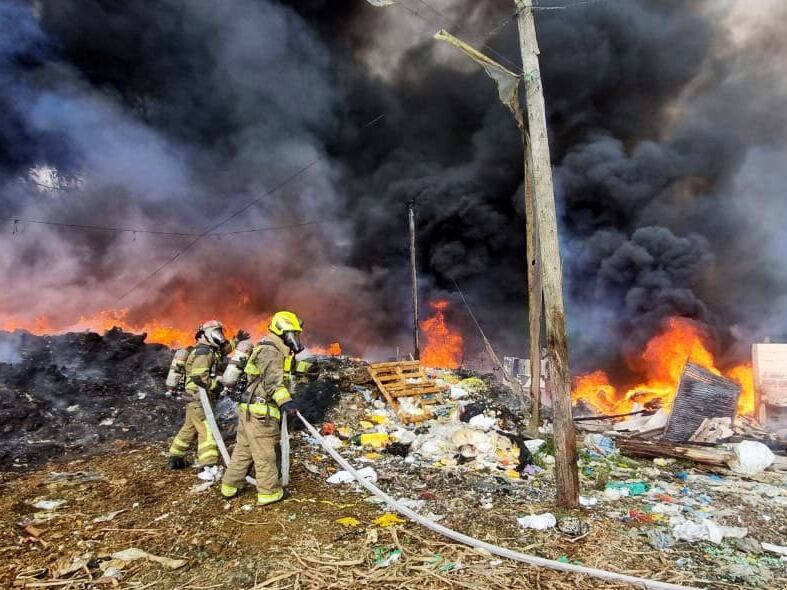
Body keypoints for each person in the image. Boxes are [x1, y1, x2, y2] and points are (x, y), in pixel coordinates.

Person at [220, 311, 309, 506]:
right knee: (265, 454)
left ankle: (230, 486)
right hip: (261, 413)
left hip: (249, 411)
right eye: (293, 333)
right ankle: (269, 493)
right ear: (283, 332)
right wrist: (286, 402)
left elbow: (281, 368)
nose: (295, 338)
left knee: (244, 450)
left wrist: (306, 369)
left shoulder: (271, 348)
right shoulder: (271, 351)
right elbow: (273, 384)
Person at [167, 321, 248, 478]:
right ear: (207, 335)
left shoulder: (210, 350)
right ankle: (208, 466)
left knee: (190, 427)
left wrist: (236, 340)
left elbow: (223, 350)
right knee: (207, 429)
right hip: (198, 397)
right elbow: (199, 376)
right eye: (216, 333)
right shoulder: (204, 353)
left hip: (194, 396)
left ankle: (175, 457)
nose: (220, 337)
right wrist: (216, 387)